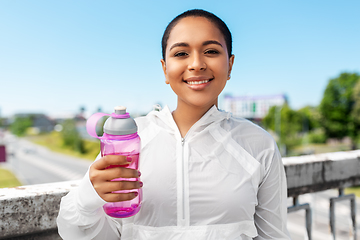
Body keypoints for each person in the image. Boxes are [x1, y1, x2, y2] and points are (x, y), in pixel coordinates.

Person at [57, 9, 291, 240]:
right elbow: (89, 233)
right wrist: (88, 196)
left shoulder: (259, 144)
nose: (197, 64)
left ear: (229, 65)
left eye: (210, 51)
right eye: (181, 54)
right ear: (165, 69)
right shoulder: (129, 139)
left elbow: (274, 236)